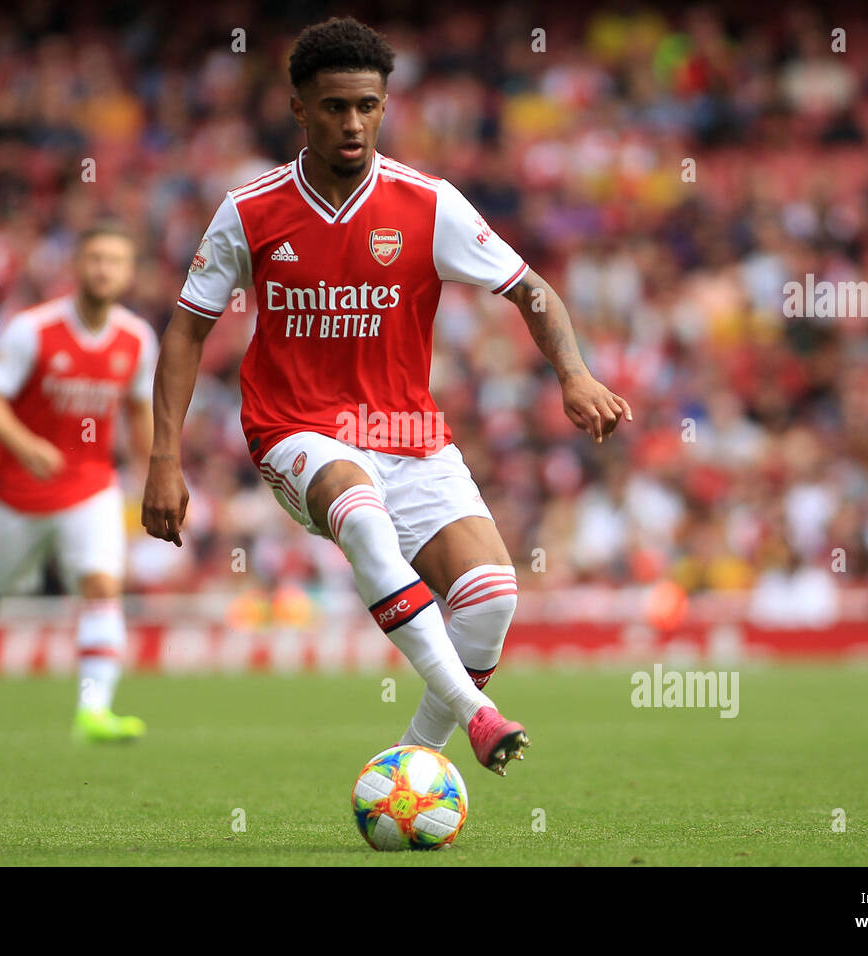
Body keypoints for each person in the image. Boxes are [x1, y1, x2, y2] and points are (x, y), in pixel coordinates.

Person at [141, 18, 631, 775]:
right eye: (334, 106)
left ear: (385, 105)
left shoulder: (429, 204)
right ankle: (478, 716)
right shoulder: (250, 211)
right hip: (295, 429)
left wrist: (574, 373)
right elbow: (184, 333)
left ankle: (412, 764)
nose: (352, 122)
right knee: (360, 512)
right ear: (299, 108)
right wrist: (164, 459)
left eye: (367, 105)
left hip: (407, 432)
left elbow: (531, 291)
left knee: (492, 598)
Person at [0, 224, 157, 750]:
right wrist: (25, 445)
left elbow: (140, 409)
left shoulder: (137, 337)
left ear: (129, 273)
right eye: (94, 257)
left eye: (115, 259)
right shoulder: (33, 329)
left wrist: (159, 469)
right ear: (76, 266)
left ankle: (94, 710)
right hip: (16, 494)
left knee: (102, 588)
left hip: (91, 486)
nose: (103, 268)